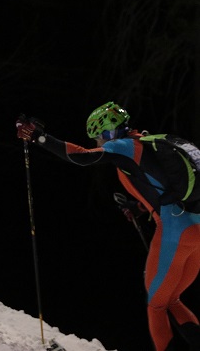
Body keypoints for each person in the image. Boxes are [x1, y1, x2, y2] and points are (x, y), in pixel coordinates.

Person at [16, 102, 200, 351]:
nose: (98, 144)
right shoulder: (143, 142)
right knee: (171, 299)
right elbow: (162, 188)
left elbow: (81, 157)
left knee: (156, 305)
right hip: (194, 225)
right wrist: (138, 208)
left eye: (98, 137)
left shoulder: (123, 146)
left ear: (108, 132)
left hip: (176, 230)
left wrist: (39, 137)